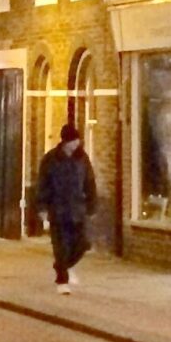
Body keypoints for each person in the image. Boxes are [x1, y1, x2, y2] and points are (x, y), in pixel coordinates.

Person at [33, 121, 97, 292]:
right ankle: (62, 282)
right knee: (60, 247)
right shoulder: (51, 159)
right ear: (66, 142)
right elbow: (43, 183)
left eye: (78, 140)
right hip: (58, 209)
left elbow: (89, 182)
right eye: (74, 140)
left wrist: (91, 204)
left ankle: (63, 266)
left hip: (77, 209)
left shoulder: (82, 159)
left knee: (82, 244)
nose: (77, 143)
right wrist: (42, 207)